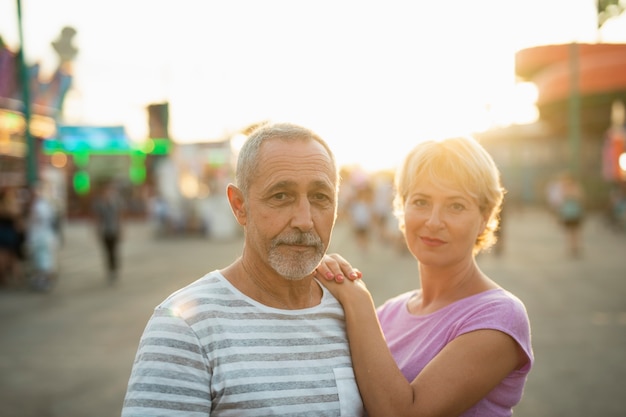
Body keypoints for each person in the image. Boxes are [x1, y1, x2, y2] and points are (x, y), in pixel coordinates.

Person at [121, 122, 364, 416]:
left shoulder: (351, 313)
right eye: (281, 196)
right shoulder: (185, 328)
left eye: (320, 197)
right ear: (239, 206)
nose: (304, 220)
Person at [316, 136, 533, 417]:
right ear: (401, 208)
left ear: (485, 216)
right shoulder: (389, 313)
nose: (433, 221)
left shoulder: (499, 316)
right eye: (420, 201)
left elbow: (405, 413)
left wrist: (356, 298)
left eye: (455, 205)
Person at [92, 180, 124, 282]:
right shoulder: (99, 202)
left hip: (114, 229)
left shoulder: (115, 201)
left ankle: (114, 268)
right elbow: (97, 218)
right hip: (105, 230)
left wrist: (121, 229)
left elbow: (119, 216)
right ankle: (110, 268)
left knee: (114, 250)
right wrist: (96, 230)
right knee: (107, 250)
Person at [555, 172, 585, 257]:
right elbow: (560, 200)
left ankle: (576, 247)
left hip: (575, 211)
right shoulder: (563, 188)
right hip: (567, 212)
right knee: (568, 231)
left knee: (575, 231)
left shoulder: (576, 187)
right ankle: (570, 248)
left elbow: (580, 197)